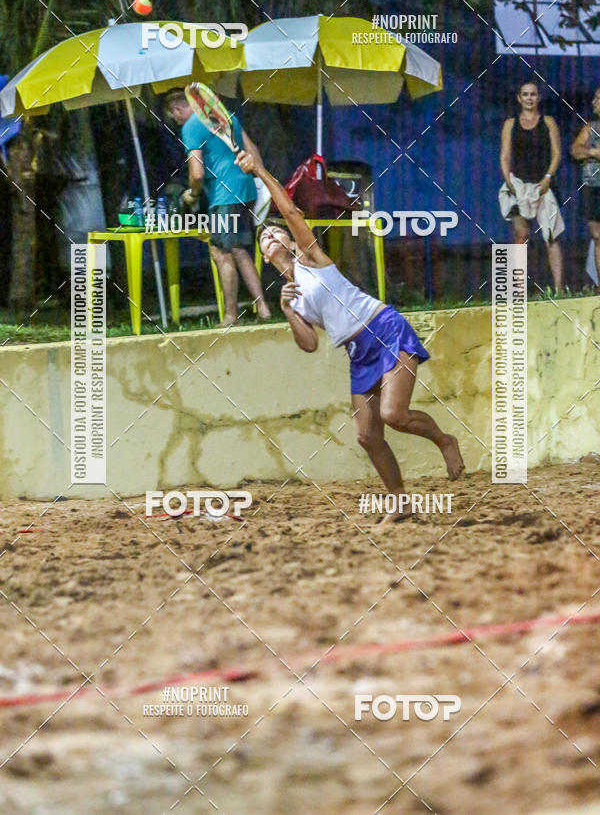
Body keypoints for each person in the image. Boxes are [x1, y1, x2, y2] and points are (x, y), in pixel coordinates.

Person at [234, 149, 465, 523]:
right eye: (265, 239)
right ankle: (401, 502)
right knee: (367, 436)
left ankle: (444, 441)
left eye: (276, 233)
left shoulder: (311, 260)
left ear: (292, 242)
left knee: (394, 414)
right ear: (263, 257)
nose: (272, 237)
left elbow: (290, 212)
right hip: (359, 353)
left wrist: (260, 169)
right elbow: (308, 345)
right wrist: (287, 311)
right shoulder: (291, 296)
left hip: (384, 329)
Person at [164, 88, 270, 325]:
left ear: (177, 109)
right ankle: (263, 308)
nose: (176, 119)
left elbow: (197, 173)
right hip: (246, 189)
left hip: (224, 195)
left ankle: (231, 315)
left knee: (220, 252)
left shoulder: (191, 126)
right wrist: (260, 181)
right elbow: (253, 151)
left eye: (174, 115)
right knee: (241, 250)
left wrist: (192, 194)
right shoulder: (225, 117)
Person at [499, 81, 564, 292]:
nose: (529, 98)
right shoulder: (511, 123)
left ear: (538, 97)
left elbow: (557, 154)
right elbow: (505, 155)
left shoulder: (548, 122)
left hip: (542, 184)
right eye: (525, 94)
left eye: (533, 94)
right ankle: (516, 288)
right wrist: (509, 182)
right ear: (519, 98)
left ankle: (559, 288)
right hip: (519, 183)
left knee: (551, 235)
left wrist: (547, 178)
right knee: (521, 234)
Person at [570, 87, 600, 285]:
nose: (593, 102)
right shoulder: (590, 127)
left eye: (598, 98)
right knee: (597, 236)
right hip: (593, 187)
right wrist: (594, 152)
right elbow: (576, 151)